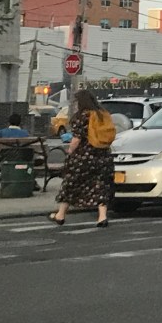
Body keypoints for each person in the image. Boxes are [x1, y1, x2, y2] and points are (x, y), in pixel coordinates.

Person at [49, 90, 114, 228]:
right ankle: (102, 217)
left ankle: (60, 214)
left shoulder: (82, 116)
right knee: (101, 185)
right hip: (103, 155)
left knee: (71, 184)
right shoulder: (103, 115)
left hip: (83, 156)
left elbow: (77, 139)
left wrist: (70, 151)